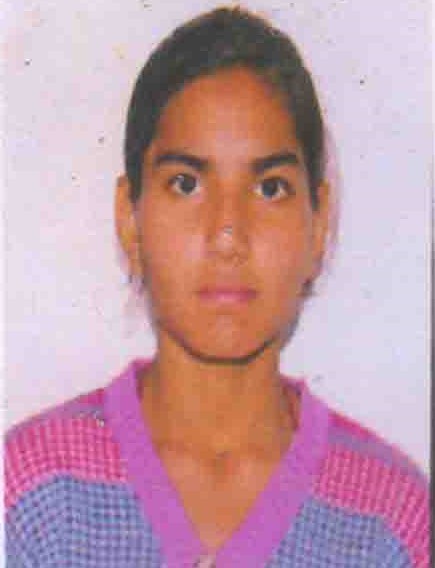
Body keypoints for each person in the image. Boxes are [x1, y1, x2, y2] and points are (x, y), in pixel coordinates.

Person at [5, 6, 429, 568]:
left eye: (270, 188)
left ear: (319, 224)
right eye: (186, 184)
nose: (228, 234)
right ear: (130, 220)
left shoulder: (390, 519)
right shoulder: (31, 494)